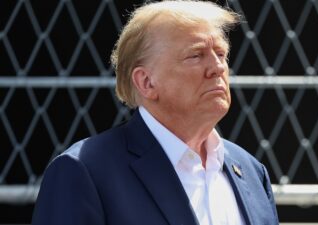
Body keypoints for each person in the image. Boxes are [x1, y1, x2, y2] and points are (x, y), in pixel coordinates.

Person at [31, 1, 279, 225]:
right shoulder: (85, 172)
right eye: (195, 55)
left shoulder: (250, 170)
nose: (217, 67)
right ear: (146, 82)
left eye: (221, 54)